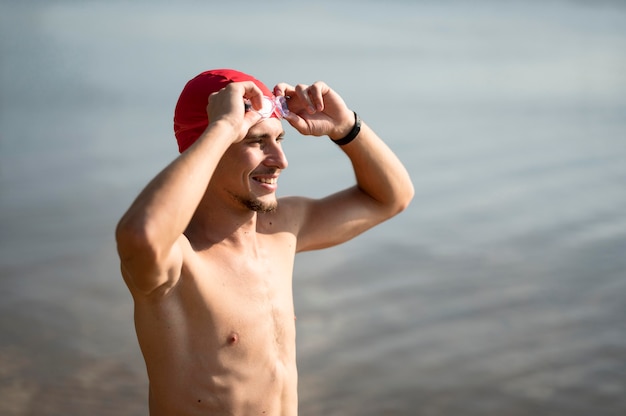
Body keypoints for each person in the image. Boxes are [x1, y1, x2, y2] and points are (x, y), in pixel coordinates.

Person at [115, 68, 414, 415]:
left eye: (279, 140)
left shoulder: (280, 230)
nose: (280, 161)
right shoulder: (178, 260)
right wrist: (224, 128)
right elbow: (141, 234)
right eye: (257, 142)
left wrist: (346, 128)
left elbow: (392, 198)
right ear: (208, 144)